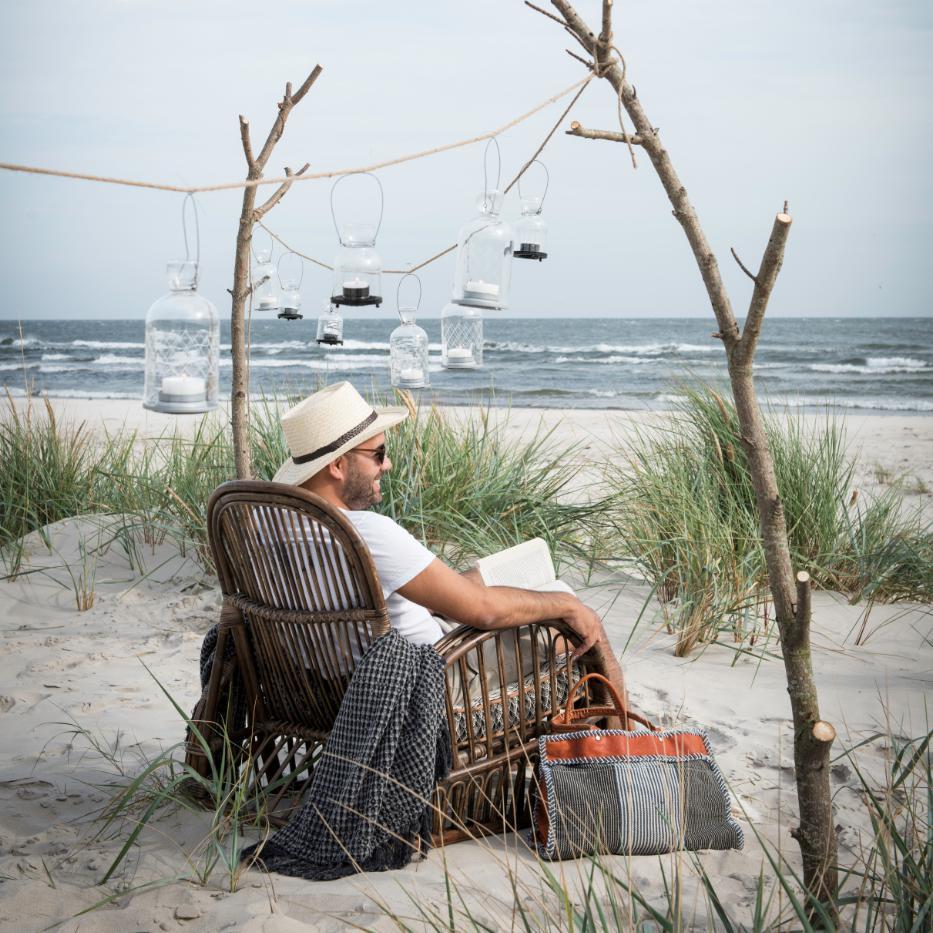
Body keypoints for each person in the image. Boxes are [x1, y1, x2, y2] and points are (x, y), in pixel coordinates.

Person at [271, 381, 626, 699]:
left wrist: (456, 587)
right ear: (337, 466)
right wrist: (566, 606)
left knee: (488, 582)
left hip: (329, 686)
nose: (388, 464)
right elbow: (483, 611)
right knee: (577, 623)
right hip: (429, 681)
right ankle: (624, 750)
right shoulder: (362, 533)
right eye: (378, 454)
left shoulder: (269, 526)